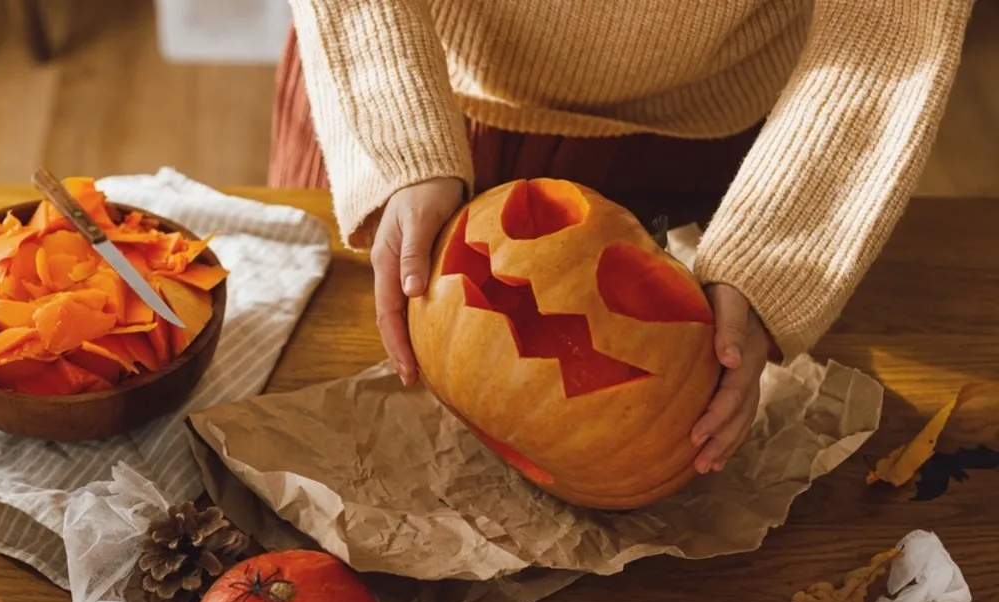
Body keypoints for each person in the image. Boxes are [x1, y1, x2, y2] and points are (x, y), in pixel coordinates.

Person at [268, 0, 974, 475]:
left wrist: (775, 254)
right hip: (390, 80)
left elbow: (893, 30)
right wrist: (397, 139)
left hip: (720, 147)